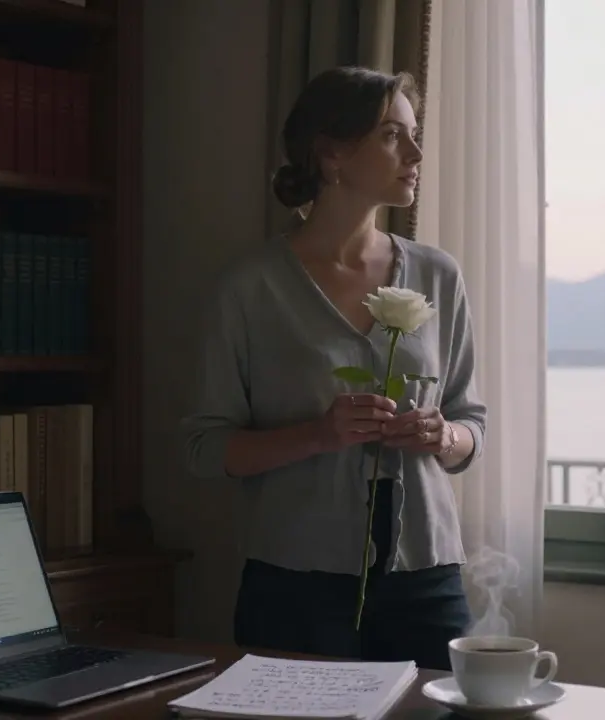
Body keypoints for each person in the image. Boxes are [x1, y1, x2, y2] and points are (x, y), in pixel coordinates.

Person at [179, 66, 488, 671]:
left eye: (414, 133)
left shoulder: (438, 276)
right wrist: (317, 436)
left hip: (426, 575)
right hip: (295, 588)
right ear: (333, 153)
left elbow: (471, 423)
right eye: (394, 135)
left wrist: (443, 435)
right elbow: (201, 447)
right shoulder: (251, 288)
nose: (416, 152)